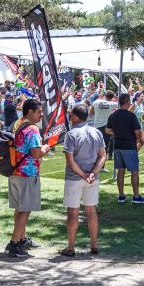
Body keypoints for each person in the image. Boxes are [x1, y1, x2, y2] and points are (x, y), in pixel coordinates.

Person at [6, 98, 52, 258]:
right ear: (30, 112)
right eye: (39, 112)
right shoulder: (32, 129)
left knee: (19, 208)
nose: (41, 115)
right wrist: (46, 147)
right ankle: (14, 243)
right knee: (25, 209)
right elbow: (36, 153)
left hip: (15, 172)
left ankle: (21, 238)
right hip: (28, 174)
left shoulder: (18, 124)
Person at [59, 104, 106, 257]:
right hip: (92, 178)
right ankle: (94, 244)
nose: (70, 117)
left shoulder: (71, 134)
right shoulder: (96, 132)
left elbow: (70, 161)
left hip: (74, 178)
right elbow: (102, 156)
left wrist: (84, 174)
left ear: (76, 117)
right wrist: (92, 173)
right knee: (91, 210)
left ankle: (71, 247)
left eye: (71, 115)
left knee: (73, 212)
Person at [106, 93, 144, 205]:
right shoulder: (131, 115)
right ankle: (136, 196)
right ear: (127, 102)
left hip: (118, 146)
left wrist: (117, 132)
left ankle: (121, 196)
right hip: (129, 146)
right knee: (134, 172)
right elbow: (137, 132)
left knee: (120, 172)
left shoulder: (113, 115)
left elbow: (107, 130)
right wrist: (139, 140)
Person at [90, 90, 117, 155]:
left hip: (97, 126)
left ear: (105, 95)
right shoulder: (112, 104)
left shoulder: (96, 102)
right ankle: (103, 158)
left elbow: (91, 112)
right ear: (112, 97)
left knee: (97, 144)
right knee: (105, 144)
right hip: (106, 126)